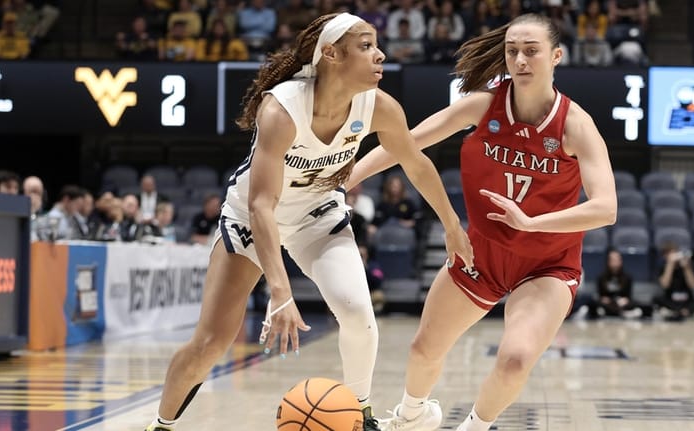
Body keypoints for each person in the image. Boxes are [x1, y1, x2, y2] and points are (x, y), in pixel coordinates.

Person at [143, 12, 473, 431]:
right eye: (367, 45)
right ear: (331, 54)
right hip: (252, 217)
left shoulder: (380, 107)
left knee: (358, 314)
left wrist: (451, 224)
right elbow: (263, 205)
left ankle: (361, 415)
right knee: (211, 342)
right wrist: (280, 292)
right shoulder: (282, 108)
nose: (381, 54)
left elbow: (417, 164)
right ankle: (162, 425)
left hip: (317, 214)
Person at [346, 13, 617, 431]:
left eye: (532, 51)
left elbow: (606, 208)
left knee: (514, 361)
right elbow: (409, 140)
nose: (520, 60)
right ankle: (411, 417)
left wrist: (531, 223)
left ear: (556, 56)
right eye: (513, 52)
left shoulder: (576, 125)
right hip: (481, 253)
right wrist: (350, 177)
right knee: (423, 350)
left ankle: (475, 426)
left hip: (546, 264)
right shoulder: (484, 104)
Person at [654, 242, 694, 321]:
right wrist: (670, 265)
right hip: (671, 300)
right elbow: (665, 285)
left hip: (687, 301)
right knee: (656, 298)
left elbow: (693, 285)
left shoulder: (687, 266)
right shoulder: (662, 268)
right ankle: (681, 311)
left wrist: (687, 269)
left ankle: (683, 311)